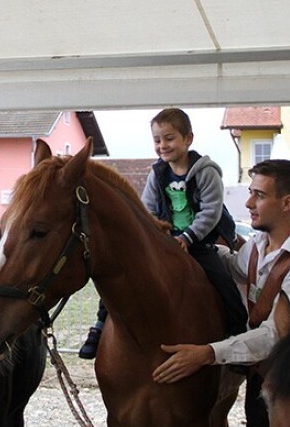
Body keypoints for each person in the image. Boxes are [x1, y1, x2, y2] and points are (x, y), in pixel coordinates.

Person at [151, 159, 290, 427]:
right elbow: (234, 267)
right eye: (251, 193)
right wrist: (187, 247)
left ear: (287, 203)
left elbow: (274, 337)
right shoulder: (256, 247)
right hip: (263, 386)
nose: (249, 203)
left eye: (259, 195)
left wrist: (206, 353)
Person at [78, 107, 246, 359]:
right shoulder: (157, 174)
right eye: (157, 140)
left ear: (188, 139)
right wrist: (153, 235)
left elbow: (210, 211)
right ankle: (100, 325)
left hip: (197, 243)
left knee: (224, 283)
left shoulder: (206, 172)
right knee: (122, 276)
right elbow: (147, 209)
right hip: (165, 241)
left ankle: (237, 334)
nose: (162, 145)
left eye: (169, 138)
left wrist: (188, 237)